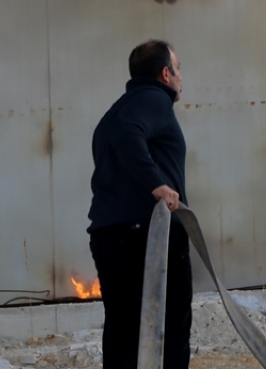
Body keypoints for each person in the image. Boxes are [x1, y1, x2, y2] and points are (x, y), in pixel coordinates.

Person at [88, 40, 192, 369]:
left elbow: (121, 133)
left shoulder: (116, 110)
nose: (180, 76)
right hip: (149, 236)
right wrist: (158, 185)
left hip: (111, 236)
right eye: (178, 68)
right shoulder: (153, 101)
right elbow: (127, 133)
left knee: (123, 333)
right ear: (166, 74)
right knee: (172, 328)